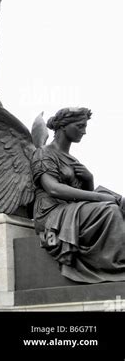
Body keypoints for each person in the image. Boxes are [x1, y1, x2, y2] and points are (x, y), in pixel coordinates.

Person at [31, 108, 125, 283]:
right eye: (80, 126)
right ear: (63, 126)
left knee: (121, 204)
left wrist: (90, 179)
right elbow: (53, 189)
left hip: (72, 209)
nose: (84, 131)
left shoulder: (73, 160)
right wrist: (99, 197)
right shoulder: (43, 153)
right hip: (52, 213)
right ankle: (115, 265)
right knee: (109, 210)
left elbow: (84, 196)